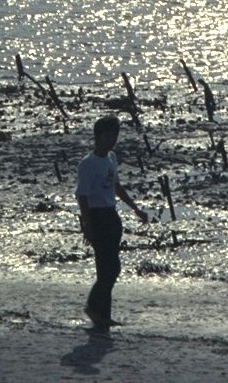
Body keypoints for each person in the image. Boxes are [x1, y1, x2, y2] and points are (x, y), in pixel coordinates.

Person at [75, 115, 148, 330]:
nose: (112, 140)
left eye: (114, 135)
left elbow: (116, 186)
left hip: (111, 214)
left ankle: (103, 314)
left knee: (112, 267)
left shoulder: (111, 158)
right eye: (108, 135)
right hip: (97, 216)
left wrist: (135, 208)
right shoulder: (88, 164)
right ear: (98, 137)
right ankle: (94, 308)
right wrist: (87, 226)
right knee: (107, 268)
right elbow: (82, 196)